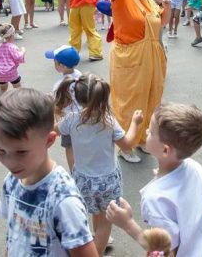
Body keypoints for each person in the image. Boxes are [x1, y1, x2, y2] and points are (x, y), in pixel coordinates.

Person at [0, 88, 97, 256]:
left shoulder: (63, 200)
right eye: (1, 150)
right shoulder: (11, 181)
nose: (9, 162)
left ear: (49, 140)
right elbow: (13, 237)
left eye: (21, 152)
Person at [106, 103, 202, 256]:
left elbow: (165, 251)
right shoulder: (196, 168)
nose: (146, 131)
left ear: (165, 150)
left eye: (150, 132)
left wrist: (127, 223)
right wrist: (165, 178)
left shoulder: (156, 198)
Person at [56, 73, 144, 256]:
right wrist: (136, 123)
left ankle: (96, 241)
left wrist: (56, 106)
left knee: (95, 212)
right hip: (107, 180)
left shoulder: (72, 119)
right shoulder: (108, 121)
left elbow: (54, 129)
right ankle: (95, 251)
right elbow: (127, 146)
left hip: (83, 179)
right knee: (105, 223)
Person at [101, 0, 171, 163]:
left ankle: (141, 140)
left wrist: (167, 8)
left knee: (151, 99)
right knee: (130, 102)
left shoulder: (150, 2)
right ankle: (125, 146)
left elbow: (161, 25)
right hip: (130, 58)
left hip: (152, 58)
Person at [46, 45, 82, 170]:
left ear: (61, 66)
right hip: (84, 116)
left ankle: (74, 171)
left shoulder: (59, 85)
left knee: (69, 147)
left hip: (69, 120)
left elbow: (57, 104)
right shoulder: (80, 76)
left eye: (55, 62)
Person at [0, 23, 26, 96]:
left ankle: (2, 101)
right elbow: (18, 57)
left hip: (0, 74)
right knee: (17, 88)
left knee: (3, 89)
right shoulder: (13, 47)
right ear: (12, 35)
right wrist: (23, 51)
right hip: (12, 73)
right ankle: (18, 103)